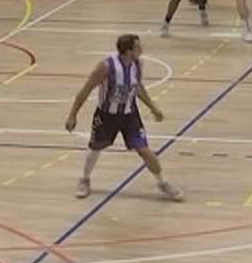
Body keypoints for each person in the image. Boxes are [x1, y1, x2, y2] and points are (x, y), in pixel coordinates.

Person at [64, 33, 184, 201]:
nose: (142, 50)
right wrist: (72, 115)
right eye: (138, 47)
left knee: (144, 150)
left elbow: (138, 87)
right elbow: (85, 90)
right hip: (106, 116)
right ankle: (84, 179)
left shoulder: (137, 64)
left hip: (130, 116)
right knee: (95, 148)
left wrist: (153, 107)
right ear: (128, 51)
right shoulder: (105, 66)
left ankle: (163, 182)